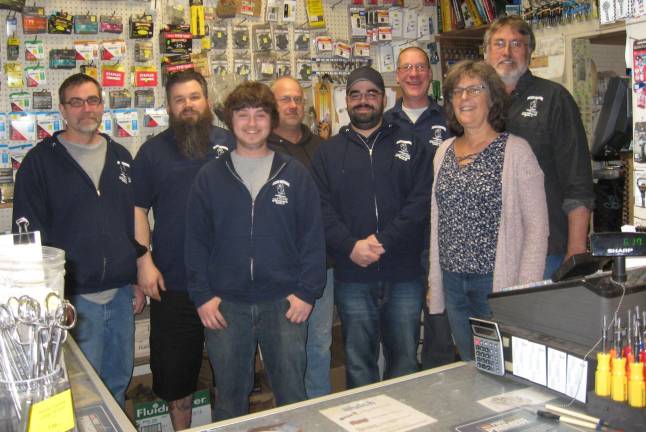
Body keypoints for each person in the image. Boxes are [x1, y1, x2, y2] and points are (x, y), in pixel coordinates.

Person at [185, 81, 326, 420]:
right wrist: (202, 296)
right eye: (243, 115)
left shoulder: (294, 174)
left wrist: (306, 293)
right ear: (229, 121)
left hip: (284, 303)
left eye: (260, 115)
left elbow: (312, 239)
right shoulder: (210, 176)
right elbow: (195, 241)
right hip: (226, 306)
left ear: (271, 120)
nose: (251, 123)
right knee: (230, 401)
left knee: (293, 395)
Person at [12, 73, 144, 406]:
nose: (86, 109)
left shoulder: (121, 157)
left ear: (102, 105)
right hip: (73, 302)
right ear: (62, 110)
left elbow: (133, 223)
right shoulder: (39, 163)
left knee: (117, 384)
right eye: (76, 102)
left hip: (121, 296)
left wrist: (137, 278)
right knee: (79, 394)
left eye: (93, 100)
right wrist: (47, 299)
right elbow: (27, 240)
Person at [312, 67, 433, 388]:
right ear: (346, 101)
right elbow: (320, 210)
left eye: (371, 93)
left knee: (405, 358)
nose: (363, 100)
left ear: (385, 98)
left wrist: (383, 241)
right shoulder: (327, 153)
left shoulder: (411, 143)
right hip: (353, 274)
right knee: (359, 361)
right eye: (355, 94)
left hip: (404, 272)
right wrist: (351, 246)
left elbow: (421, 202)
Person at [132, 70, 234, 430]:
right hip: (172, 284)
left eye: (194, 97)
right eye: (179, 99)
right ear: (169, 107)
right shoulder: (151, 152)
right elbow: (137, 209)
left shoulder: (233, 142)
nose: (188, 105)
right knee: (176, 381)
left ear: (206, 100)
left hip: (229, 284)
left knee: (232, 377)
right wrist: (143, 263)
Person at [427, 60, 549, 361]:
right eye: (457, 91)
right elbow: (437, 221)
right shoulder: (443, 151)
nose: (464, 98)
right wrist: (435, 281)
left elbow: (537, 227)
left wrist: (520, 291)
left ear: (492, 97)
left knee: (502, 368)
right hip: (453, 279)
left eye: (474, 89)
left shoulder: (516, 151)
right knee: (469, 364)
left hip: (495, 283)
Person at [484, 15, 594, 278]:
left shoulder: (554, 99)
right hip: (488, 252)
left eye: (516, 44)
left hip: (545, 250)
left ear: (529, 52)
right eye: (499, 43)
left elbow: (578, 180)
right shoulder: (475, 102)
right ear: (486, 52)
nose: (507, 52)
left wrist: (576, 249)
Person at [384, 46, 455, 368]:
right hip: (399, 244)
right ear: (397, 76)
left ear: (430, 74)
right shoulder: (384, 124)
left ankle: (439, 387)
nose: (414, 74)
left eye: (421, 67)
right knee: (402, 333)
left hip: (443, 238)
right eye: (407, 68)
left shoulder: (452, 120)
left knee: (439, 328)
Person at [269, 76, 333, 398]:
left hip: (321, 267)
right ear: (272, 105)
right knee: (287, 353)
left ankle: (318, 415)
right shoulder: (259, 149)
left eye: (297, 99)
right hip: (279, 271)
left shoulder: (322, 148)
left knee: (319, 346)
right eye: (285, 99)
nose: (293, 105)